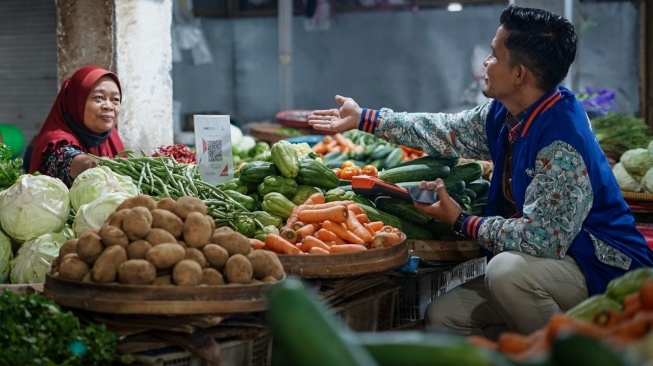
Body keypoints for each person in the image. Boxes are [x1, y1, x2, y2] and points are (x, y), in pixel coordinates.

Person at [307, 5, 653, 339]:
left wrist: (461, 220)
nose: (486, 63)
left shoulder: (561, 142)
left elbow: (542, 240)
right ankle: (529, 348)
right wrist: (365, 118)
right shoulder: (508, 113)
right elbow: (445, 131)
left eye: (493, 55)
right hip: (556, 264)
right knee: (446, 318)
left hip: (599, 268)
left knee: (505, 274)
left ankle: (572, 353)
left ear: (519, 75)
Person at [28, 65, 125, 187]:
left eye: (115, 99)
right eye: (99, 97)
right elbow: (67, 159)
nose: (109, 106)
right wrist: (95, 164)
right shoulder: (55, 142)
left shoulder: (111, 137)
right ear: (76, 101)